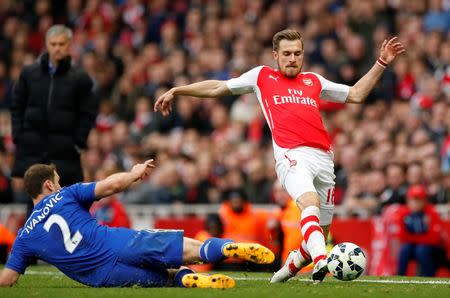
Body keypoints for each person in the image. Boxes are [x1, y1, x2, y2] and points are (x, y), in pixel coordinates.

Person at [154, 28, 405, 283]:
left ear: (303, 54)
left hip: (324, 159)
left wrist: (381, 62)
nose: (292, 58)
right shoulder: (261, 76)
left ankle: (289, 269)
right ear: (276, 55)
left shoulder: (314, 81)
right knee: (310, 204)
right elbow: (219, 86)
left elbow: (356, 94)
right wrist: (179, 90)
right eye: (286, 53)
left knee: (317, 232)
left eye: (297, 53)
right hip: (291, 155)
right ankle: (322, 261)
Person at [0, 161, 275, 288]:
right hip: (114, 242)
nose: (59, 183)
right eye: (57, 180)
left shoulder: (25, 235)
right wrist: (133, 174)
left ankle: (188, 279)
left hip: (102, 277)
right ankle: (225, 248)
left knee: (164, 278)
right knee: (185, 248)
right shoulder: (64, 195)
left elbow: (7, 280)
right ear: (49, 184)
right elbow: (110, 186)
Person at [10, 25, 98, 201]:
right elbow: (17, 107)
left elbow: (87, 114)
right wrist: (19, 137)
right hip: (33, 152)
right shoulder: (29, 74)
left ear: (69, 45)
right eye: (53, 43)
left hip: (65, 155)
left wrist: (78, 143)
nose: (57, 48)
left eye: (61, 43)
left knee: (66, 206)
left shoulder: (80, 78)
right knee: (34, 207)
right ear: (46, 44)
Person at [396, 185, 446, 277]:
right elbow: (402, 237)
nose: (415, 203)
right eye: (412, 200)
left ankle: (429, 276)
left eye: (418, 200)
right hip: (414, 247)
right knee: (405, 248)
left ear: (424, 201)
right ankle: (399, 276)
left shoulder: (432, 212)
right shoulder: (404, 213)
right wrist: (419, 239)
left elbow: (434, 239)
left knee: (422, 249)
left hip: (435, 250)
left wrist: (414, 239)